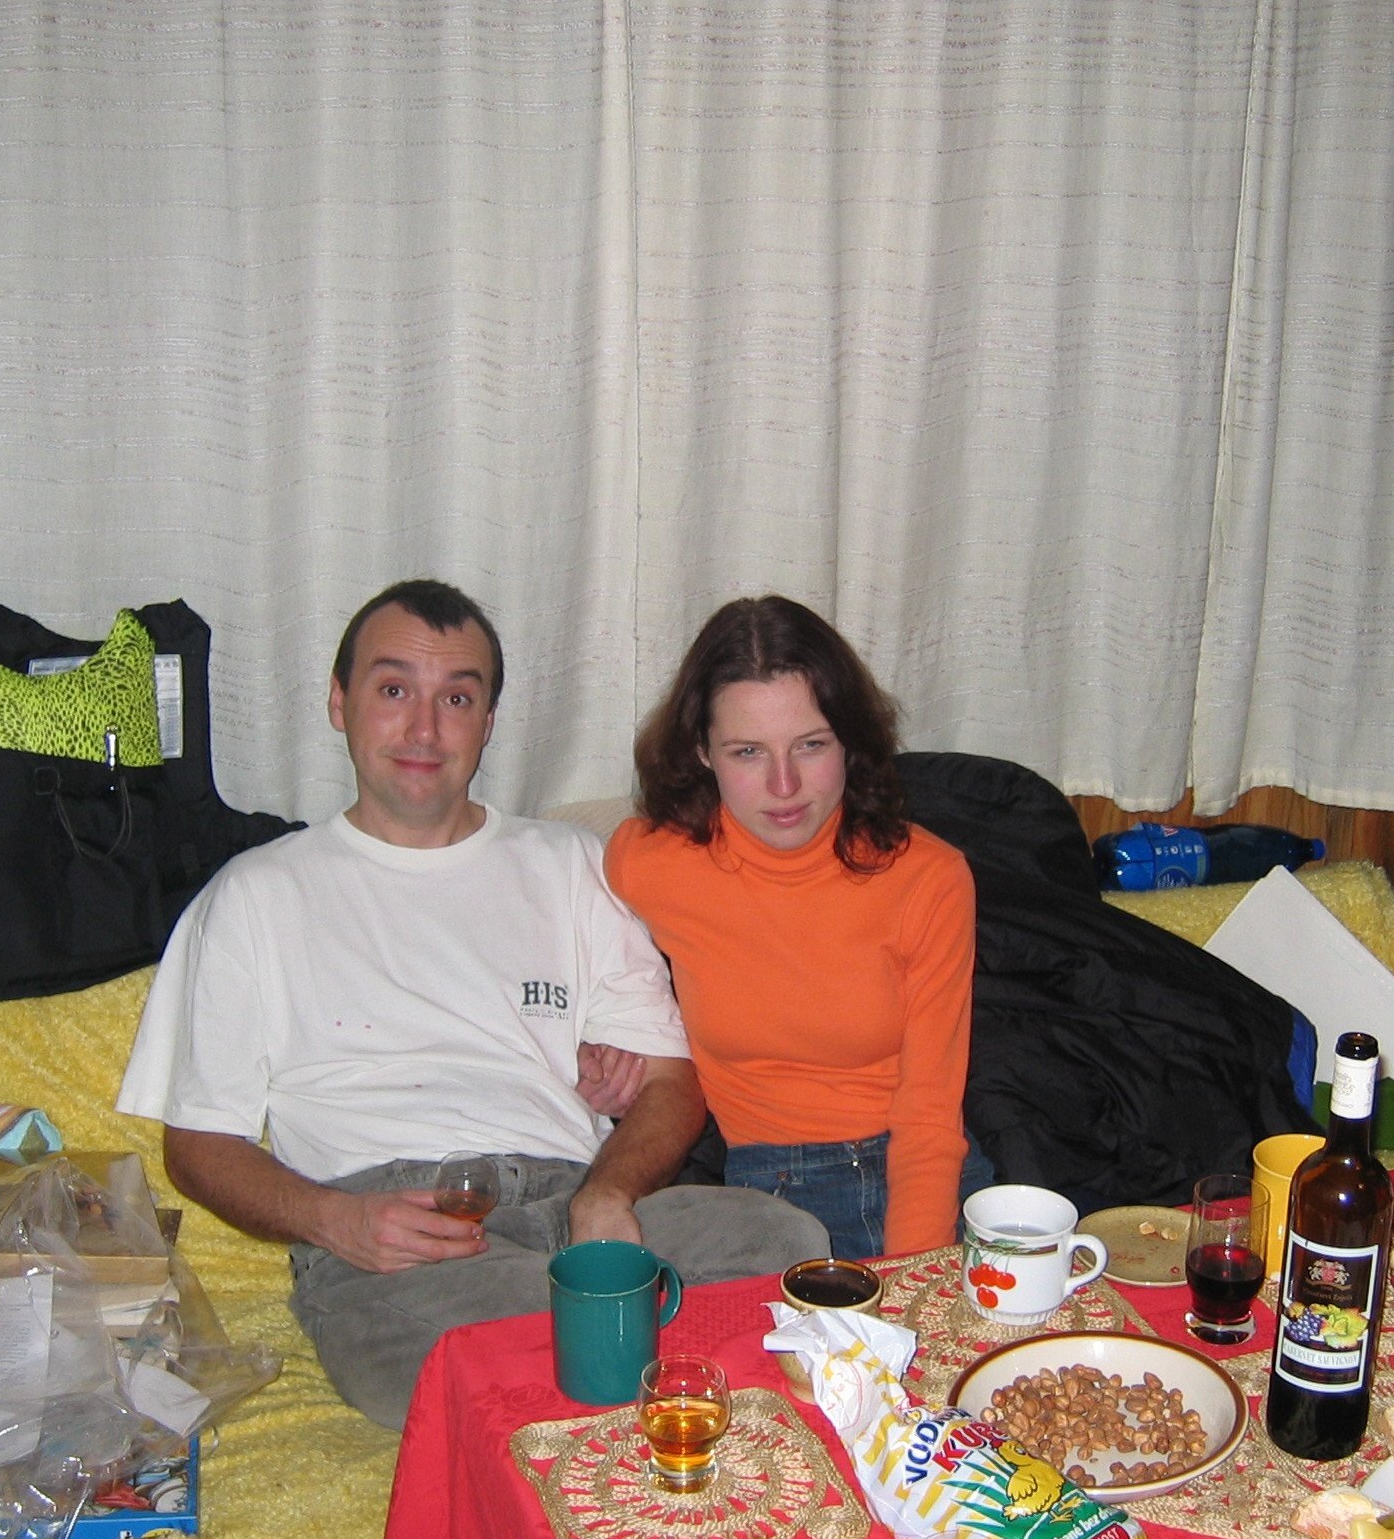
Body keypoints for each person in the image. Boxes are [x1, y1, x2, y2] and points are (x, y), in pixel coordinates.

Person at [116, 580, 827, 1427]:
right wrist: (336, 1221)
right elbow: (198, 1143)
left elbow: (672, 1083)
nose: (425, 729)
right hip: (397, 1235)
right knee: (512, 1336)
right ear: (339, 704)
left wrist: (608, 1194)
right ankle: (649, 1375)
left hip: (576, 1201)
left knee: (790, 1248)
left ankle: (621, 1370)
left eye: (457, 698)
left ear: (487, 721)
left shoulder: (568, 864)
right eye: (394, 691)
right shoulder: (256, 893)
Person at [604, 597, 984, 1260]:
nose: (784, 785)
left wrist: (915, 1277)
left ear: (850, 742)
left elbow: (929, 1114)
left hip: (923, 1178)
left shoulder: (929, 878)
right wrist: (591, 1047)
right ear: (702, 751)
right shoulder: (647, 862)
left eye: (811, 745)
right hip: (772, 1198)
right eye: (748, 752)